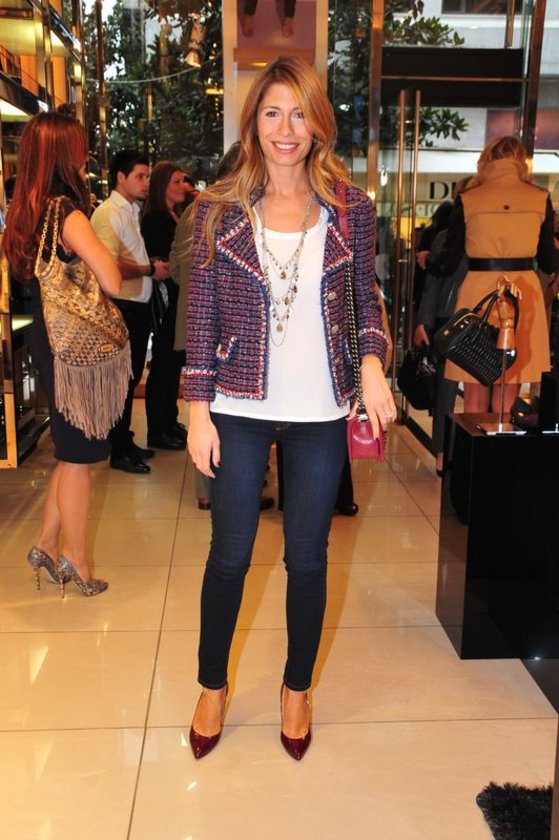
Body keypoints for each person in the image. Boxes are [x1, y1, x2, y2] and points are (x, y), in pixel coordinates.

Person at [184, 55, 394, 761]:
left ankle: (296, 688)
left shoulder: (350, 209)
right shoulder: (217, 210)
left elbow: (365, 301)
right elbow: (201, 315)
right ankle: (211, 685)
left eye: (299, 113)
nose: (285, 128)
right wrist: (196, 409)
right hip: (236, 403)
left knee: (307, 558)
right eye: (272, 112)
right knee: (230, 555)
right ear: (253, 124)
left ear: (317, 125)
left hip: (320, 410)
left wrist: (371, 365)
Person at [2, 112, 123, 596]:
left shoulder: (25, 212)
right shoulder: (67, 213)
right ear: (61, 155)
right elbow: (112, 278)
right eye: (78, 148)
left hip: (48, 340)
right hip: (73, 350)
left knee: (71, 451)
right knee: (79, 457)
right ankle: (77, 560)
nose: (85, 156)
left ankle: (47, 544)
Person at [417, 136, 559, 414]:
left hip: (478, 294)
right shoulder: (539, 197)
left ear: (486, 161)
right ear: (521, 163)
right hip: (522, 296)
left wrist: (427, 259)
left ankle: (473, 443)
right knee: (509, 386)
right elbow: (546, 261)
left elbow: (447, 262)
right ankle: (502, 439)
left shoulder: (469, 198)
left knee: (474, 385)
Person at [169, 143, 274, 510]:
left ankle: (211, 490)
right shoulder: (220, 210)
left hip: (195, 322)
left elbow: (176, 266)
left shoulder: (199, 208)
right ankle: (223, 489)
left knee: (208, 408)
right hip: (216, 327)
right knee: (211, 409)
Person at [91, 150, 171, 473]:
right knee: (122, 380)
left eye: (147, 176)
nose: (146, 182)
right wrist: (148, 269)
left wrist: (148, 267)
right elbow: (108, 266)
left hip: (136, 307)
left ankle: (124, 440)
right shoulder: (108, 213)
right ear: (120, 177)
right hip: (121, 308)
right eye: (139, 176)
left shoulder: (130, 211)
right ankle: (117, 449)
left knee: (131, 377)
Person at [414, 178, 472, 474]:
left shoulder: (488, 239)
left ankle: (469, 451)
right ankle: (441, 452)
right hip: (448, 319)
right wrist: (423, 322)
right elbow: (433, 285)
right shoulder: (446, 239)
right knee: (445, 391)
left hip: (478, 318)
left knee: (475, 391)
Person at [140, 162, 189, 450]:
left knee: (172, 363)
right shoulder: (155, 219)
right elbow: (158, 261)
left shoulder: (176, 214)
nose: (183, 186)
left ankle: (169, 421)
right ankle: (157, 429)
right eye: (176, 182)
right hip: (164, 296)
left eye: (183, 181)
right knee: (163, 362)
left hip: (176, 294)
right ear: (163, 186)